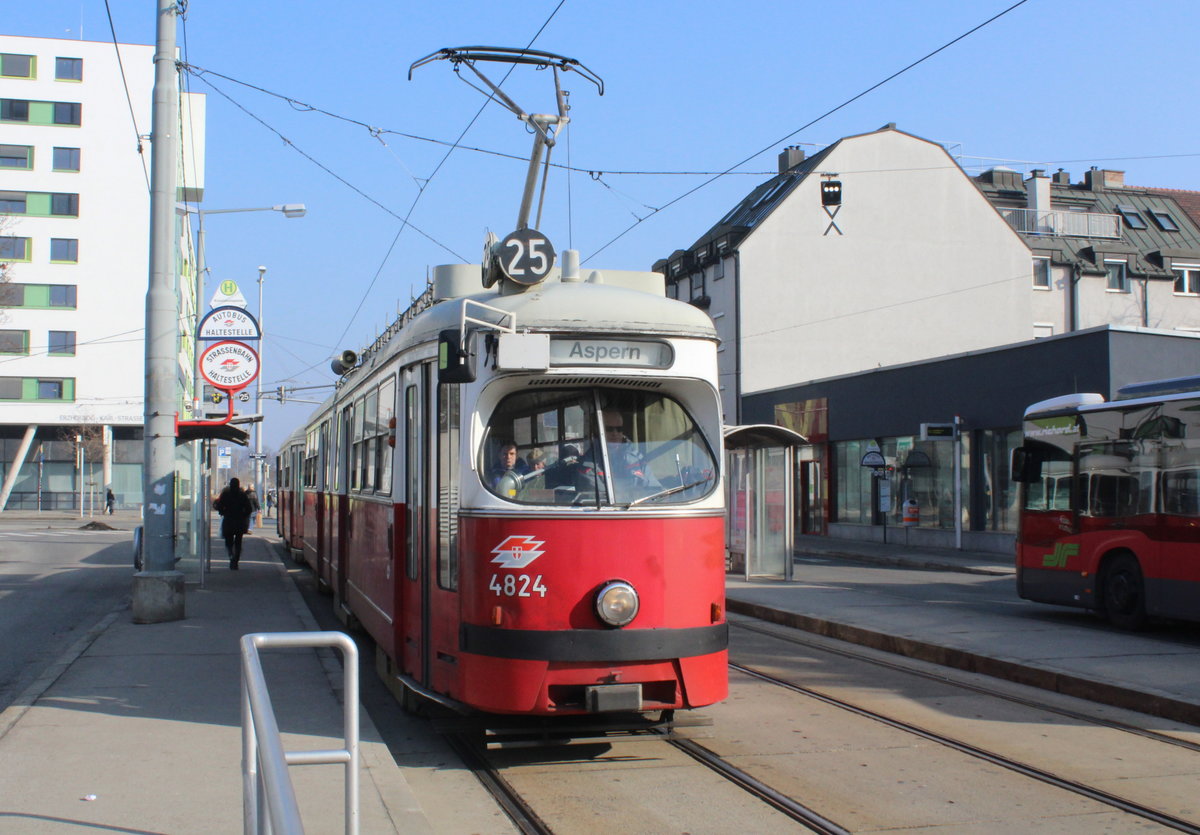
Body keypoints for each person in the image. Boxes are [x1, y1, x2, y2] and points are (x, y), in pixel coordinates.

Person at [214, 477, 252, 570]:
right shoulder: (242, 495)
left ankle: (231, 555)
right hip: (240, 522)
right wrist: (244, 515)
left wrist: (223, 512)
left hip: (228, 521)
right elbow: (249, 508)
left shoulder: (226, 494)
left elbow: (219, 506)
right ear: (238, 485)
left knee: (229, 541)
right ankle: (236, 560)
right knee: (238, 542)